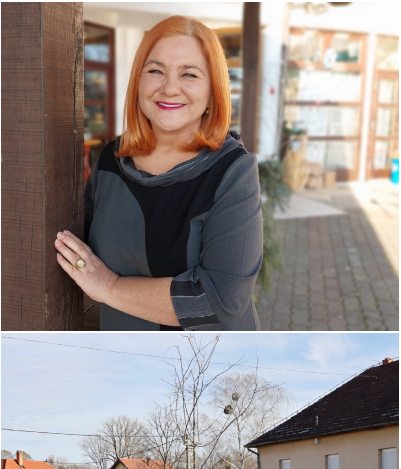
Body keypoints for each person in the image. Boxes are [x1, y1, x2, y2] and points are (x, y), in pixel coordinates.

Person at [55, 15, 262, 331]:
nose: (169, 88)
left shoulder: (233, 171)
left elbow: (222, 300)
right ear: (138, 81)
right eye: (155, 71)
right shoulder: (111, 161)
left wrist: (109, 286)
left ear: (213, 92)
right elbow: (75, 246)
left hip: (210, 356)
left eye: (189, 74)